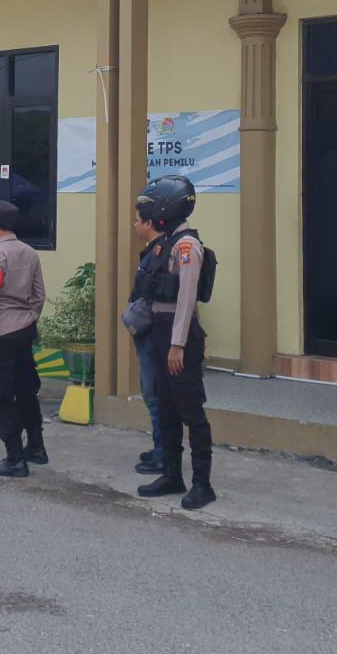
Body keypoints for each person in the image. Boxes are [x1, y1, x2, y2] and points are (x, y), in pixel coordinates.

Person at [133, 175, 217, 510]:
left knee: (191, 412)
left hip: (177, 337)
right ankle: (172, 474)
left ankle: (202, 484)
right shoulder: (164, 243)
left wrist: (177, 344)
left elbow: (186, 298)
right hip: (159, 333)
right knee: (166, 410)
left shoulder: (186, 247)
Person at [0, 198, 48, 479]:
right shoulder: (30, 252)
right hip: (25, 329)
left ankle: (15, 458)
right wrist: (29, 317)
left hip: (2, 334)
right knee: (27, 389)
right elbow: (39, 294)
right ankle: (37, 447)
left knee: (0, 394)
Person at [129, 207, 165, 475]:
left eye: (138, 221)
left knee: (156, 396)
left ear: (149, 223)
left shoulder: (160, 254)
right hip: (147, 335)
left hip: (155, 336)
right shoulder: (153, 253)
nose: (134, 225)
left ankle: (163, 455)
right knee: (151, 393)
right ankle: (159, 448)